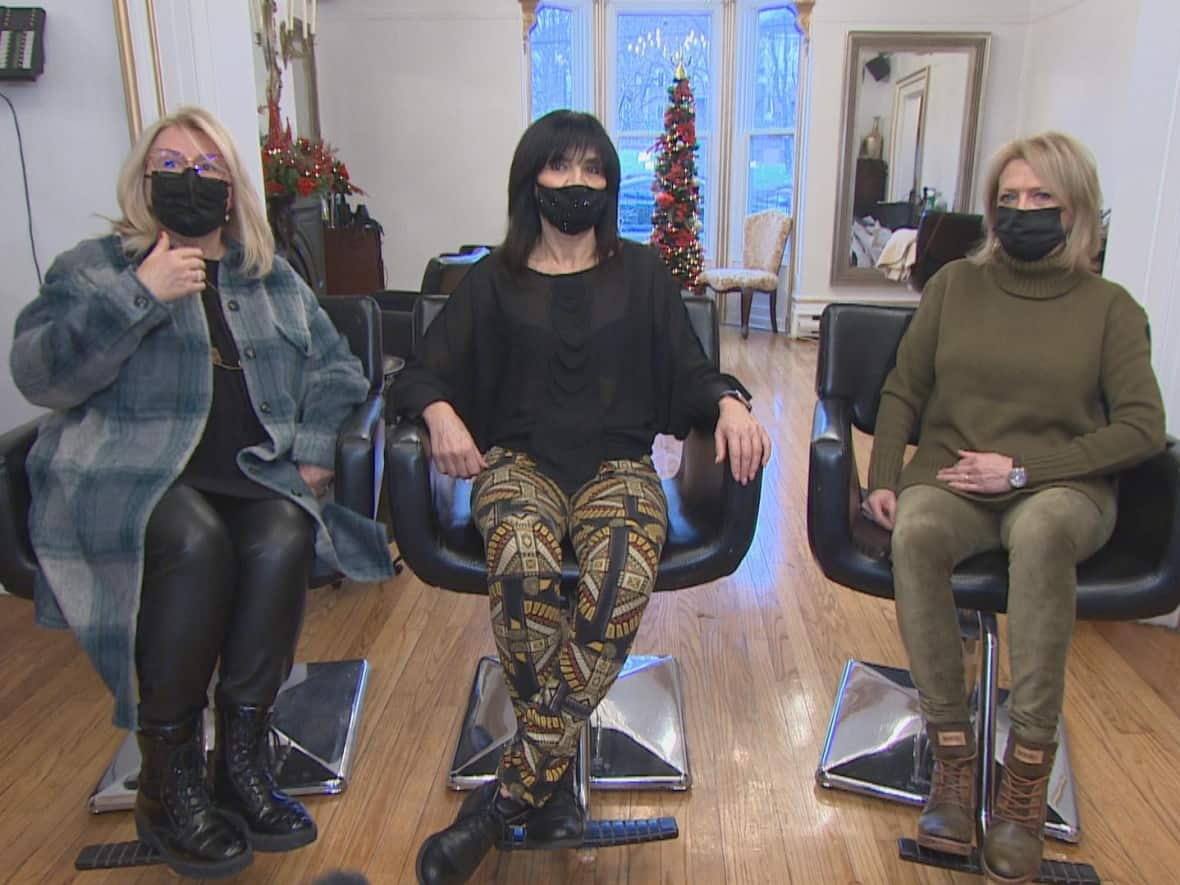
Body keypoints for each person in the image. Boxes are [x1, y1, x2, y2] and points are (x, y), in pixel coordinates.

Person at [10, 106, 392, 879]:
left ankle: (240, 762)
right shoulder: (96, 268)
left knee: (286, 532)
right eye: (172, 167)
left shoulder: (269, 273)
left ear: (232, 187)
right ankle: (169, 777)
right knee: (195, 537)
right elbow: (39, 375)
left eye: (207, 169)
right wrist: (142, 295)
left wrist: (315, 452)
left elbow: (338, 367)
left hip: (250, 470)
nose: (189, 181)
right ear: (144, 181)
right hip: (132, 475)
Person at [395, 110, 771, 885]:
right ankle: (550, 776)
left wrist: (732, 401)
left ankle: (505, 800)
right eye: (560, 168)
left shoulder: (641, 273)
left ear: (610, 183)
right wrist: (437, 412)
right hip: (519, 466)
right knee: (524, 572)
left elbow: (692, 374)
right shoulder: (492, 279)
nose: (576, 185)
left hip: (618, 469)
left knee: (618, 584)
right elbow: (419, 372)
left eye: (593, 170)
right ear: (531, 178)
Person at [861, 132, 1166, 884]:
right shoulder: (955, 287)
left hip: (1061, 486)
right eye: (1011, 198)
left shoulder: (1111, 309)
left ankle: (1026, 780)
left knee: (1040, 529)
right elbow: (904, 387)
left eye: (1043, 199)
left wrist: (1025, 469)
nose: (1022, 210)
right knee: (921, 532)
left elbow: (1141, 427)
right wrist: (883, 474)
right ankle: (955, 766)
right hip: (958, 476)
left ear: (1079, 211)